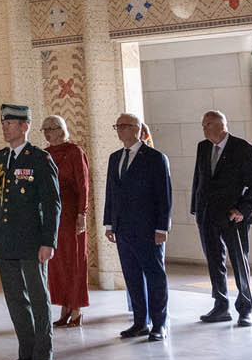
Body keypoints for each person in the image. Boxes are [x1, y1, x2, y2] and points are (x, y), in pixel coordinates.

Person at [0, 104, 60, 360]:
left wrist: (49, 241)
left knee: (38, 298)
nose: (5, 127)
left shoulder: (39, 159)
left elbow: (52, 203)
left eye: (10, 123)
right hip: (6, 241)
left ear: (25, 126)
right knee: (15, 299)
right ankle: (26, 352)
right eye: (3, 123)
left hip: (33, 241)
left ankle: (42, 355)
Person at [191, 110, 252, 325]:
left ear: (221, 126)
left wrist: (243, 209)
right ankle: (220, 305)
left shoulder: (242, 148)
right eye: (203, 124)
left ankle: (245, 308)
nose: (204, 128)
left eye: (208, 124)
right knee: (214, 260)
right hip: (208, 214)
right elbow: (199, 180)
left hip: (234, 216)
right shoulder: (203, 147)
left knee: (239, 262)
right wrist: (196, 209)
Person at [103, 112, 172, 341]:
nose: (120, 130)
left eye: (124, 126)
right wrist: (109, 223)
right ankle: (140, 322)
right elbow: (111, 193)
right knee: (132, 276)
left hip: (148, 229)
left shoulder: (155, 158)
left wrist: (162, 228)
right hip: (123, 228)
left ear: (137, 128)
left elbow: (164, 196)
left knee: (154, 276)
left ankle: (159, 323)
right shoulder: (115, 158)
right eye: (117, 126)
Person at [41, 114, 90, 328]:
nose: (47, 133)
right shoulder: (44, 155)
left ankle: (76, 309)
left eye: (51, 128)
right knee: (57, 263)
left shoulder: (74, 151)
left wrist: (82, 213)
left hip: (71, 214)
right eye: (45, 130)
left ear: (61, 129)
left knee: (75, 260)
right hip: (51, 215)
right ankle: (64, 307)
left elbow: (83, 184)